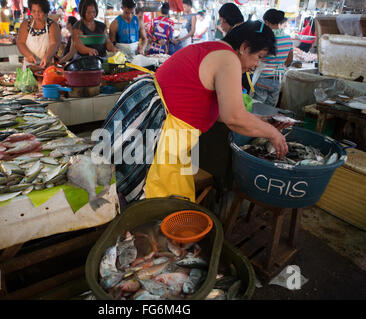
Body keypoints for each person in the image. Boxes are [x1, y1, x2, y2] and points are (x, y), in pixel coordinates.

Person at [101, 20, 289, 204]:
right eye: (259, 57)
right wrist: (273, 134)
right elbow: (234, 117)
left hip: (167, 130)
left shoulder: (215, 48)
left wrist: (259, 121)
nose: (257, 65)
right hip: (165, 134)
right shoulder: (228, 59)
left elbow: (223, 112)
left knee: (168, 200)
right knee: (163, 206)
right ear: (245, 47)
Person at [253, 9, 293, 107]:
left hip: (263, 77)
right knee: (269, 110)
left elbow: (255, 58)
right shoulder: (288, 38)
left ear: (266, 22)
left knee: (257, 108)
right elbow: (289, 61)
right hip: (277, 80)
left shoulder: (265, 38)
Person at [17, 0, 61, 69]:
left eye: (40, 11)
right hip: (29, 65)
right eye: (33, 11)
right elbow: (20, 42)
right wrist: (28, 55)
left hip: (47, 65)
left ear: (46, 12)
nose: (36, 14)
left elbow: (54, 44)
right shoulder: (26, 24)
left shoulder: (52, 25)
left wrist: (47, 56)